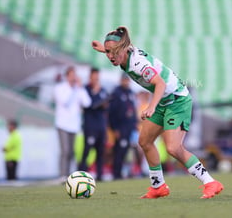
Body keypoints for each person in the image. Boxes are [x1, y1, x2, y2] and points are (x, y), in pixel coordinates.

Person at [92, 26, 223, 199]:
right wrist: (104, 49)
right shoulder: (123, 53)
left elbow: (160, 83)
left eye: (113, 52)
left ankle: (211, 182)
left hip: (177, 100)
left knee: (173, 148)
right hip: (164, 100)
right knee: (145, 141)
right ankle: (158, 186)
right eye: (108, 52)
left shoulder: (138, 64)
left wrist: (151, 106)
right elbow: (118, 51)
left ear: (123, 49)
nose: (110, 56)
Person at [54, 66, 91, 181]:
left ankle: (69, 174)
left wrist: (80, 88)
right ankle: (62, 175)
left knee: (71, 152)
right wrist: (74, 89)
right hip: (62, 124)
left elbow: (87, 103)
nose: (73, 78)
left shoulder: (78, 89)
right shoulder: (60, 88)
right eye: (71, 75)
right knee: (65, 150)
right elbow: (65, 102)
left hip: (74, 125)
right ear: (67, 76)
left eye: (74, 75)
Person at [78, 67, 109, 181]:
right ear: (90, 77)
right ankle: (81, 174)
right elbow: (89, 105)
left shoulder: (103, 90)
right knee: (87, 150)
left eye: (97, 76)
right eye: (94, 76)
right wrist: (96, 94)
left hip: (101, 125)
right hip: (90, 125)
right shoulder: (85, 89)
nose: (96, 79)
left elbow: (107, 105)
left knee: (100, 151)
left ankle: (100, 175)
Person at [108, 74, 137, 179]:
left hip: (129, 127)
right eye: (124, 80)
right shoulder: (116, 93)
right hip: (120, 127)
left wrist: (134, 125)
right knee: (119, 150)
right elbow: (112, 112)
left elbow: (133, 110)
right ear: (121, 80)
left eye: (127, 80)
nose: (126, 82)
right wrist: (115, 128)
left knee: (125, 150)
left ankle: (120, 172)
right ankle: (116, 173)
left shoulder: (130, 93)